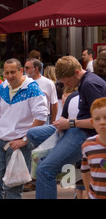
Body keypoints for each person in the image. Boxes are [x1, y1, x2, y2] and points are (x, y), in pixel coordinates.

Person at [26, 55, 106, 199]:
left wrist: (70, 123)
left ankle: (56, 163)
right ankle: (59, 159)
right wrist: (68, 123)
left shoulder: (90, 84)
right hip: (76, 128)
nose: (68, 86)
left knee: (44, 170)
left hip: (83, 133)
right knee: (32, 133)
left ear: (76, 72)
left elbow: (100, 122)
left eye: (68, 81)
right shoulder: (87, 82)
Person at [0, 58, 48, 199]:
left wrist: (25, 139)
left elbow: (41, 116)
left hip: (19, 145)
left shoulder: (32, 88)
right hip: (1, 142)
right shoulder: (3, 87)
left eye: (13, 72)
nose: (9, 76)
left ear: (21, 71)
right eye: (7, 72)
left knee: (13, 188)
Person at [81, 97, 106, 199]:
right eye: (97, 119)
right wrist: (88, 192)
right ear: (92, 122)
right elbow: (85, 171)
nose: (102, 122)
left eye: (105, 117)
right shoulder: (88, 146)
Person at [25, 58, 58, 123]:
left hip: (43, 119)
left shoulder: (48, 83)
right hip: (26, 119)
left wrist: (53, 121)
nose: (25, 70)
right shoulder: (23, 82)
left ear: (36, 69)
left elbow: (54, 103)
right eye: (25, 68)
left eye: (27, 68)